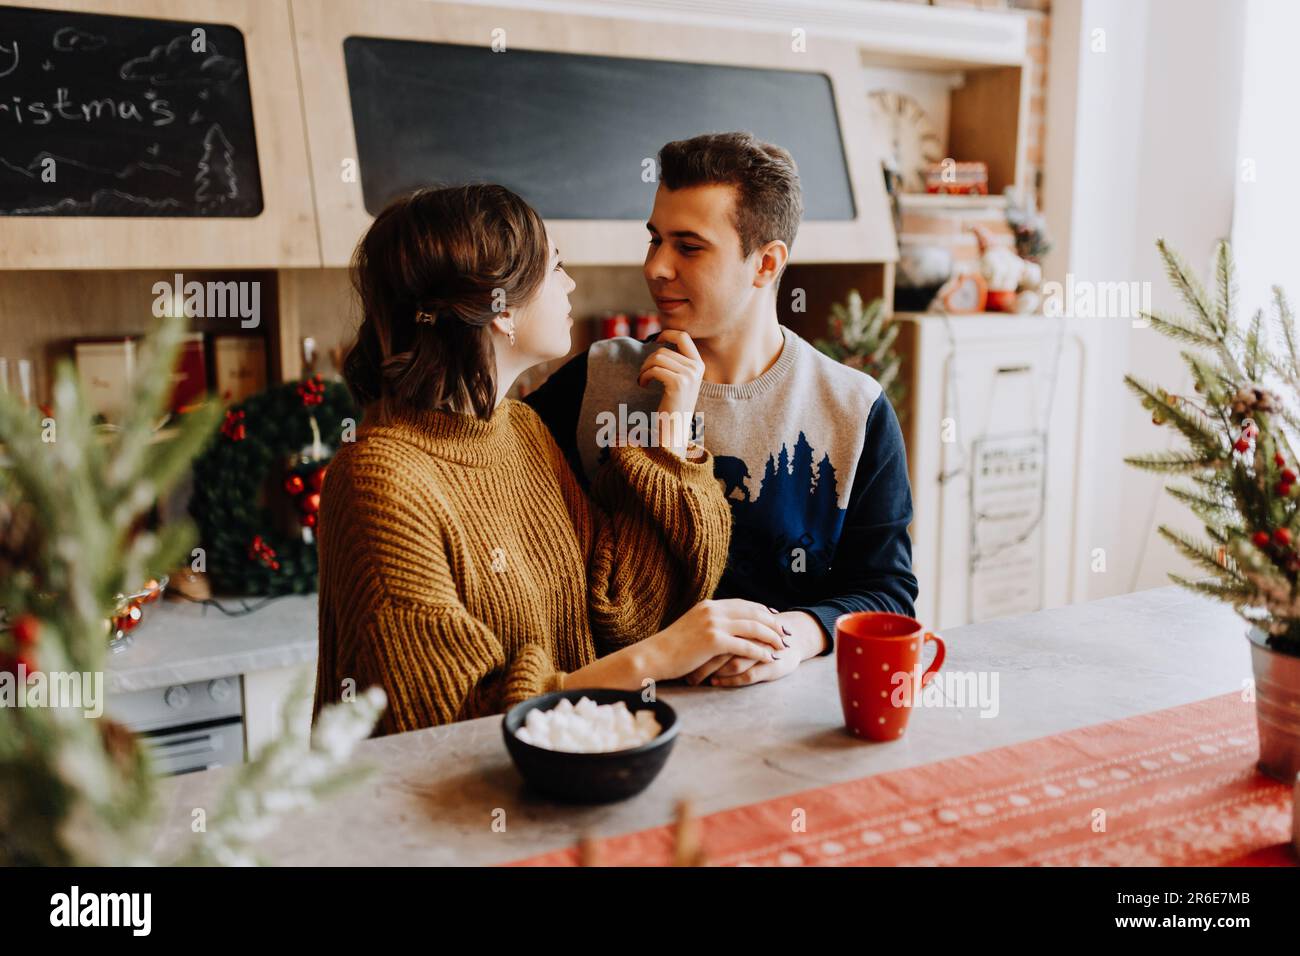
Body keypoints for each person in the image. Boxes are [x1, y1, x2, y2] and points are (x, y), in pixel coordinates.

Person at [313, 184, 790, 736]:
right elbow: (449, 725)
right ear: (501, 309)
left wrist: (672, 432)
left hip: (552, 785)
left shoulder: (521, 432)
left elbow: (624, 610)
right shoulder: (379, 478)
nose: (570, 284)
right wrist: (656, 661)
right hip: (440, 813)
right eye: (555, 265)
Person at [526, 132, 919, 689]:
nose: (657, 267)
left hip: (781, 723)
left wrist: (790, 639)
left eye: (688, 247)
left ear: (766, 263)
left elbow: (888, 590)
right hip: (615, 722)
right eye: (654, 239)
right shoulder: (597, 379)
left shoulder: (855, 410)